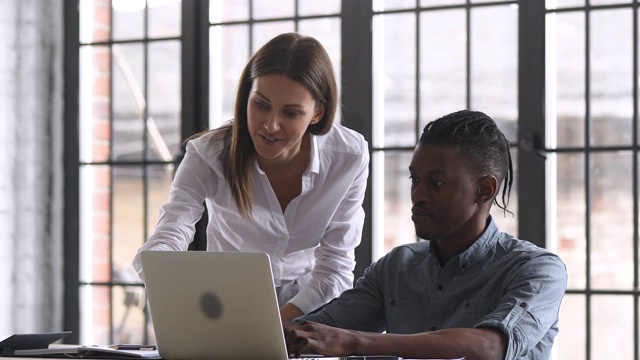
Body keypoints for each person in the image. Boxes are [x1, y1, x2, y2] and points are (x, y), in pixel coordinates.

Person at [284, 110, 567, 360]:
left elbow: (490, 348)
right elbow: (318, 330)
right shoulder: (396, 267)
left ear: (485, 190)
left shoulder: (538, 270)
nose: (418, 195)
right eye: (415, 179)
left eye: (437, 182)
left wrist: (352, 342)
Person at [132, 32, 369, 322]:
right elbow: (171, 233)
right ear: (247, 96)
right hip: (224, 303)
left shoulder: (349, 157)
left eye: (291, 113)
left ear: (317, 112)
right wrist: (163, 272)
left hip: (311, 305)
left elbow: (335, 267)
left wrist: (280, 323)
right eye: (261, 105)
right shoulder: (208, 154)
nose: (270, 125)